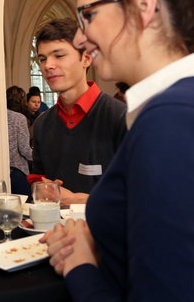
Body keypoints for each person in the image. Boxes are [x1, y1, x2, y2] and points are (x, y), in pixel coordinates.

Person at [42, 0, 194, 301]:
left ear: (144, 6)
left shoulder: (169, 120)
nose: (80, 39)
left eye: (89, 16)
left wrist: (80, 265)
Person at [32, 18, 126, 205]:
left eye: (58, 56)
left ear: (86, 58)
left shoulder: (120, 117)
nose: (47, 65)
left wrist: (76, 200)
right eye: (42, 59)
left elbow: (142, 196)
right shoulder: (42, 123)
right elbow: (37, 180)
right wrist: (43, 189)